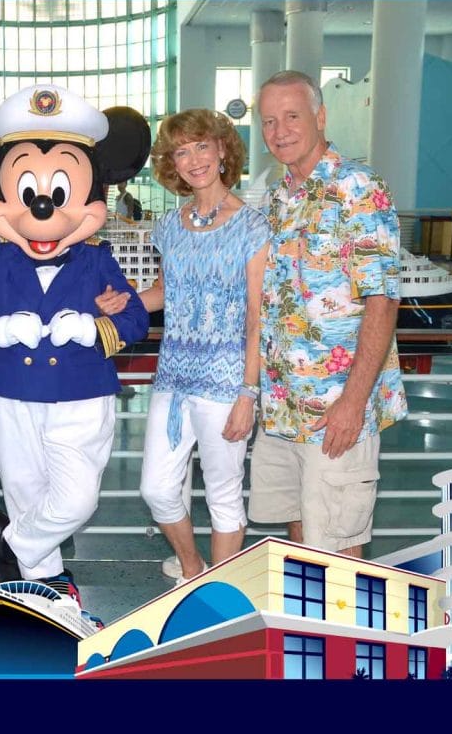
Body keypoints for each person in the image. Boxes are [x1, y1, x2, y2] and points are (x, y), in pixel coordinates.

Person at [0, 83, 151, 608]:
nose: (42, 208)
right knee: (24, 492)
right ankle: (45, 586)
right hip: (10, 389)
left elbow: (134, 318)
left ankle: (8, 546)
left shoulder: (96, 260)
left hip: (81, 391)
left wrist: (93, 329)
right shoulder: (0, 261)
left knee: (76, 499)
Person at [247, 70, 408, 558]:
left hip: (336, 405)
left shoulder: (357, 187)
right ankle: (305, 628)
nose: (280, 131)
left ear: (320, 116)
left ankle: (344, 634)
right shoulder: (279, 197)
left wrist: (353, 402)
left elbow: (383, 299)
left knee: (336, 541)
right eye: (269, 121)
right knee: (299, 531)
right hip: (282, 406)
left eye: (292, 116)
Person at [132, 109, 269, 586]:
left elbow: (258, 317)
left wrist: (248, 394)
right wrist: (121, 299)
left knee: (224, 495)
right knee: (157, 489)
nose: (193, 160)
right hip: (173, 377)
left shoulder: (253, 227)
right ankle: (192, 568)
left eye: (201, 147)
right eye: (181, 151)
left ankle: (220, 595)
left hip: (226, 381)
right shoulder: (170, 225)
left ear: (223, 150)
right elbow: (164, 292)